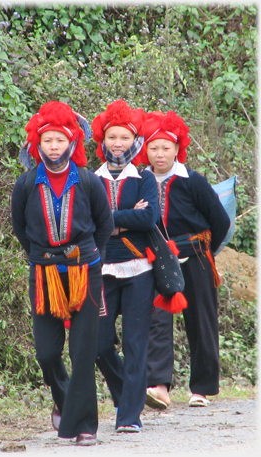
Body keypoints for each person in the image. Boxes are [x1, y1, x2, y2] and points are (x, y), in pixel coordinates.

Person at [11, 101, 114, 446]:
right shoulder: (26, 184)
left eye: (60, 140)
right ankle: (66, 399)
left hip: (85, 272)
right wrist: (44, 256)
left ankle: (85, 426)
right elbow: (21, 229)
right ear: (37, 145)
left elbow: (104, 225)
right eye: (48, 140)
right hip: (43, 275)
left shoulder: (87, 181)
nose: (53, 147)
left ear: (72, 142)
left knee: (83, 351)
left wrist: (85, 256)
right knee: (47, 352)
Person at [141, 110, 231, 409]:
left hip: (195, 257)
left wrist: (204, 249)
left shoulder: (194, 181)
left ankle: (202, 389)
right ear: (146, 150)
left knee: (201, 320)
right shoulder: (140, 181)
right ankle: (159, 385)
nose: (160, 153)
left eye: (166, 147)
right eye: (153, 147)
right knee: (157, 320)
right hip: (156, 259)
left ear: (178, 148)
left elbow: (220, 222)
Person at [91, 99, 160, 432]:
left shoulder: (144, 177)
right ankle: (126, 393)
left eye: (124, 137)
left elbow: (149, 217)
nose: (117, 144)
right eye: (112, 137)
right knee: (99, 343)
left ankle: (129, 417)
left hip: (139, 272)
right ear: (102, 141)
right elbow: (85, 222)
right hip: (102, 271)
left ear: (135, 141)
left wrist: (109, 220)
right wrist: (122, 219)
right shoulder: (92, 179)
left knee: (135, 344)